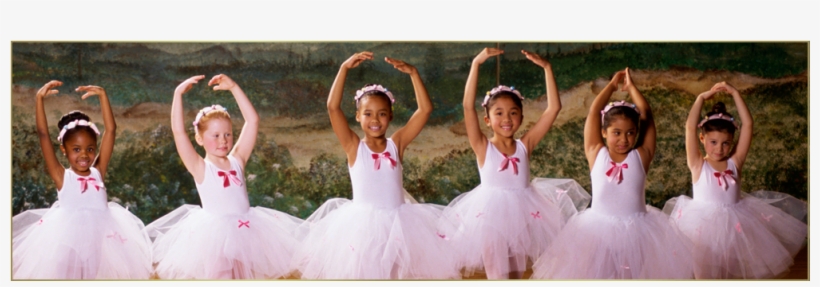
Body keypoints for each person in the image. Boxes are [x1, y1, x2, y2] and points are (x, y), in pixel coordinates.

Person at [290, 52, 460, 279]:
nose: (375, 120)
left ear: (390, 116)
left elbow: (425, 110)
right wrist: (343, 68)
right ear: (358, 116)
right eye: (368, 114)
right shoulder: (353, 147)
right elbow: (333, 108)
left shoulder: (396, 144)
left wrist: (414, 73)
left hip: (400, 224)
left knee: (397, 275)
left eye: (381, 114)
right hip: (362, 227)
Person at [438, 48, 589, 279]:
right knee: (497, 274)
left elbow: (553, 109)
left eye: (513, 112)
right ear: (487, 120)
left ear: (521, 117)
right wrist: (476, 63)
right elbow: (468, 107)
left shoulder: (524, 146)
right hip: (488, 216)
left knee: (518, 274)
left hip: (523, 215)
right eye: (499, 113)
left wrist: (548, 69)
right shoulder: (482, 146)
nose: (507, 119)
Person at [531, 68, 694, 279]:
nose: (624, 139)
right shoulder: (595, 153)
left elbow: (647, 114)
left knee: (631, 277)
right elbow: (593, 112)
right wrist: (611, 86)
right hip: (597, 231)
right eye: (616, 133)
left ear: (636, 133)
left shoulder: (641, 155)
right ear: (603, 132)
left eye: (630, 133)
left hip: (637, 230)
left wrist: (632, 88)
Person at [145, 74, 302, 279]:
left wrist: (234, 87)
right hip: (215, 238)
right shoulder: (200, 167)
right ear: (199, 139)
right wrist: (178, 94)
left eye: (228, 134)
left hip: (247, 232)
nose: (223, 141)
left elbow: (253, 121)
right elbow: (178, 132)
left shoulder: (238, 160)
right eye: (216, 135)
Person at [662, 82, 807, 278]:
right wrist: (700, 99)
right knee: (703, 273)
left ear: (732, 142)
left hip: (735, 225)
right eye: (713, 142)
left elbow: (748, 125)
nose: (719, 149)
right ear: (702, 139)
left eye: (725, 143)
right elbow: (689, 127)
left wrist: (735, 93)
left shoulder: (735, 162)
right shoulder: (698, 165)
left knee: (730, 272)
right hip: (700, 226)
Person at [13, 81, 153, 279]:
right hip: (66, 244)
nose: (84, 155)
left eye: (90, 149)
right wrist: (39, 99)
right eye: (76, 149)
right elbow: (43, 135)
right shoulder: (62, 176)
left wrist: (103, 96)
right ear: (64, 150)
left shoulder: (98, 171)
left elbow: (111, 130)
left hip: (97, 244)